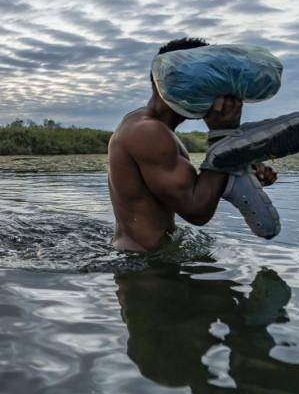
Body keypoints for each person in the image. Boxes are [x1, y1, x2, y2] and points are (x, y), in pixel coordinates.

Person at [107, 37, 277, 252]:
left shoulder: (153, 127)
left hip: (154, 257)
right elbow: (197, 210)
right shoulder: (147, 131)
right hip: (146, 269)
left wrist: (239, 168)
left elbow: (194, 189)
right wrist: (222, 135)